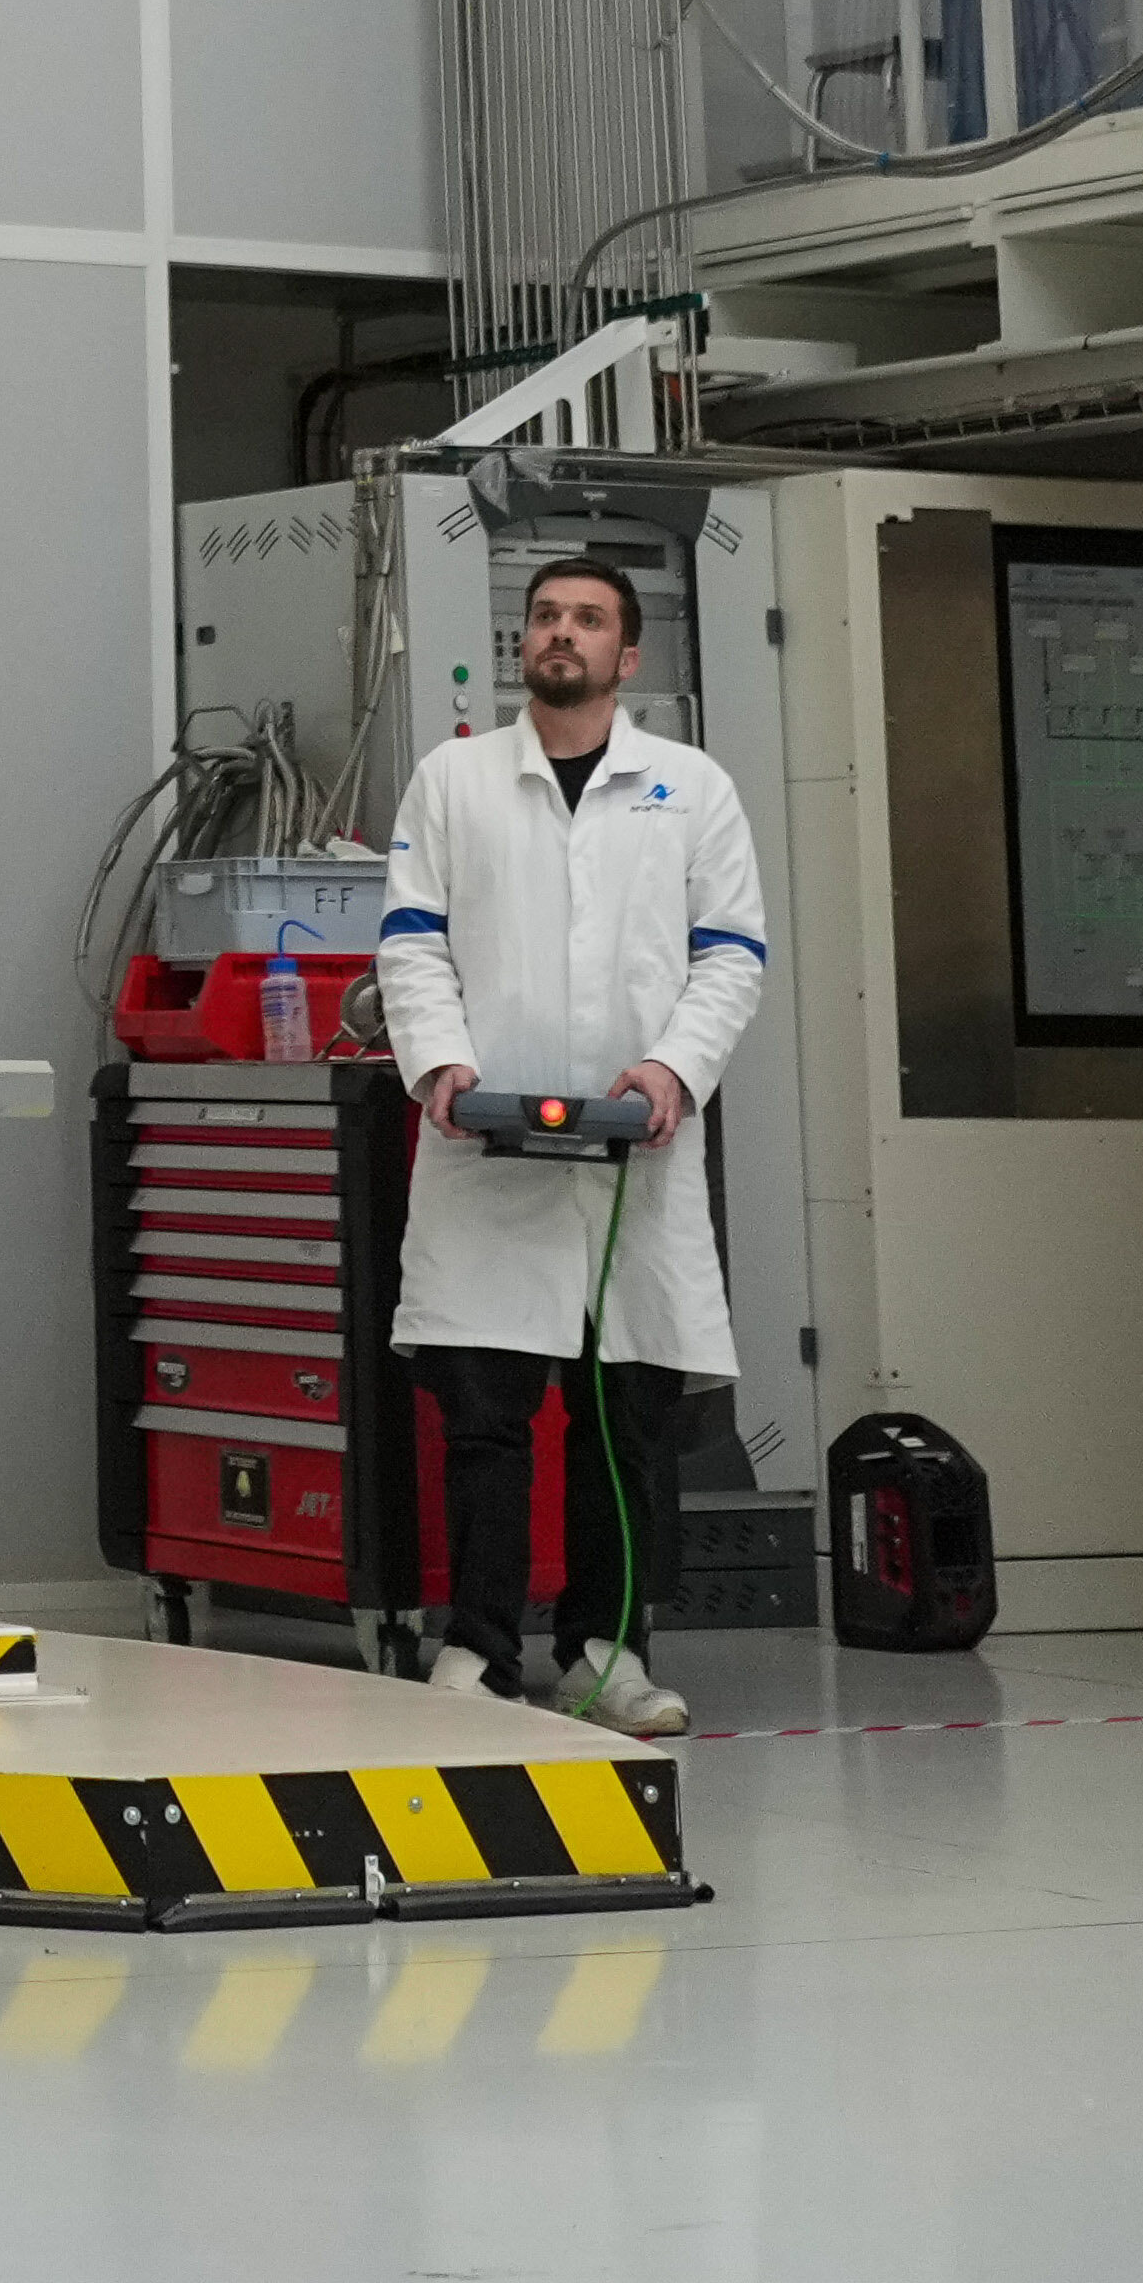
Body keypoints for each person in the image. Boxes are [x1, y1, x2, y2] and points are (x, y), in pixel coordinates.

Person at [371, 547, 773, 1734]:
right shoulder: (453, 782)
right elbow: (410, 940)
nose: (562, 634)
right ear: (525, 644)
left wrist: (670, 1069)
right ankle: (480, 1656)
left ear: (626, 654)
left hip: (632, 1166)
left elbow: (731, 954)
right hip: (481, 1154)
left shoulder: (691, 787)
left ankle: (608, 1655)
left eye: (589, 619)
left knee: (621, 1424)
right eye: (547, 616)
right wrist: (442, 1063)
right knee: (486, 1418)